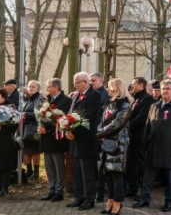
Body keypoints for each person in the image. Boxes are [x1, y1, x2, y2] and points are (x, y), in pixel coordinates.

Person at [133, 79, 171, 213]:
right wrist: (144, 144)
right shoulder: (154, 105)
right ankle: (144, 199)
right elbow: (148, 125)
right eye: (163, 88)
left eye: (168, 89)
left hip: (170, 149)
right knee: (148, 177)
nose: (165, 91)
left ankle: (169, 201)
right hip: (153, 147)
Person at [65, 72, 102, 211]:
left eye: (77, 82)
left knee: (87, 172)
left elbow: (90, 118)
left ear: (86, 82)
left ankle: (89, 199)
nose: (75, 85)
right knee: (77, 172)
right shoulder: (75, 95)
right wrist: (67, 129)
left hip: (86, 140)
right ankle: (79, 197)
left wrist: (74, 133)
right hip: (74, 141)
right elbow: (70, 114)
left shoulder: (95, 95)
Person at [97, 78, 132, 215]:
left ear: (117, 88)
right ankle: (110, 201)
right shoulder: (109, 103)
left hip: (118, 144)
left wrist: (101, 134)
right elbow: (102, 120)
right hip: (106, 142)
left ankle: (118, 203)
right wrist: (100, 132)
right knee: (109, 175)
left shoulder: (124, 105)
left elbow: (118, 123)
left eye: (110, 87)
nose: (107, 89)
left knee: (117, 175)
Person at [38, 78, 72, 202]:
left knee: (58, 165)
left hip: (57, 138)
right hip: (46, 138)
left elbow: (64, 120)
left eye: (49, 87)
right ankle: (51, 189)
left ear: (56, 87)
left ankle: (59, 191)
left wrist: (50, 130)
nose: (47, 89)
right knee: (49, 165)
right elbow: (41, 117)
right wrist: (40, 126)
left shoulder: (67, 101)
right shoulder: (47, 100)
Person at [125, 77, 154, 197]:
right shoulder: (135, 98)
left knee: (141, 164)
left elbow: (141, 118)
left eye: (134, 84)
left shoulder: (147, 99)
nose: (132, 86)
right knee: (131, 164)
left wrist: (127, 127)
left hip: (140, 136)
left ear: (141, 85)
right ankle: (133, 189)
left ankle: (145, 190)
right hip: (132, 136)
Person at [22, 80, 44, 180]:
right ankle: (29, 170)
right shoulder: (27, 99)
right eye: (29, 86)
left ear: (38, 89)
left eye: (33, 87)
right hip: (25, 128)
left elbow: (39, 114)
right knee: (26, 150)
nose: (30, 88)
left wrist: (26, 115)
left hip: (35, 127)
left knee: (35, 151)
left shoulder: (39, 99)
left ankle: (36, 173)